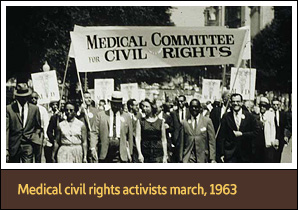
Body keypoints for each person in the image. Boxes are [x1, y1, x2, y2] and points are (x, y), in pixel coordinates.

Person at [90, 91, 133, 163]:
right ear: (111, 103)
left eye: (118, 104)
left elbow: (130, 136)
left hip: (120, 151)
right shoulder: (101, 115)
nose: (116, 106)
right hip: (105, 150)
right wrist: (93, 148)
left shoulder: (127, 116)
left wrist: (130, 153)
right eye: (114, 104)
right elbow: (94, 132)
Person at [6, 83, 42, 163]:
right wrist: (6, 148)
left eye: (25, 96)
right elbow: (6, 130)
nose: (24, 99)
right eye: (21, 97)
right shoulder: (9, 109)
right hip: (14, 145)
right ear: (17, 96)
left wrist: (33, 136)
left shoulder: (34, 109)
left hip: (28, 144)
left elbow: (38, 127)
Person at [218, 93, 259, 163]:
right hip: (230, 154)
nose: (235, 103)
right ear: (230, 103)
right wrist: (222, 153)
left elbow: (256, 133)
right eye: (233, 101)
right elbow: (222, 136)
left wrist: (242, 134)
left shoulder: (250, 116)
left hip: (245, 154)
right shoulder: (226, 116)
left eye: (238, 101)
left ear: (242, 103)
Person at [179, 99, 216, 163]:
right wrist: (180, 158)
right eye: (192, 107)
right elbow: (181, 142)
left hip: (202, 157)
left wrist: (212, 158)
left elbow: (211, 141)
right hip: (188, 157)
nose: (194, 109)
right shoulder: (184, 123)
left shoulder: (207, 121)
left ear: (200, 108)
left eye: (196, 107)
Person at [135, 99, 167, 163]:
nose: (144, 108)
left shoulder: (161, 122)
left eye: (147, 106)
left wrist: (165, 155)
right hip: (145, 153)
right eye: (143, 106)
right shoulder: (140, 122)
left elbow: (163, 139)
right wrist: (139, 153)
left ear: (152, 107)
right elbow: (138, 138)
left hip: (158, 154)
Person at [77, 91, 99, 163]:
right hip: (82, 140)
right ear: (82, 99)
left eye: (90, 97)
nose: (89, 99)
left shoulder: (95, 111)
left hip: (92, 139)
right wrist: (80, 110)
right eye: (86, 98)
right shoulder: (78, 111)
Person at [209, 91, 230, 162]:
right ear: (224, 99)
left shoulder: (233, 112)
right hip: (217, 141)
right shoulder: (215, 111)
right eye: (228, 97)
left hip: (229, 144)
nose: (230, 100)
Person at [30, 91, 51, 163]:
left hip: (39, 134)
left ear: (38, 98)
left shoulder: (42, 109)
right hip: (29, 133)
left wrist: (45, 136)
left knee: (38, 155)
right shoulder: (26, 108)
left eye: (35, 98)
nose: (33, 99)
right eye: (32, 98)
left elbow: (46, 123)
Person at [254, 97, 276, 163]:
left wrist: (272, 140)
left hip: (267, 141)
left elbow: (273, 128)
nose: (262, 108)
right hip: (258, 142)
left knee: (267, 159)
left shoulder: (270, 115)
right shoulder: (257, 116)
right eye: (261, 106)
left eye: (264, 106)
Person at [170, 95, 190, 162]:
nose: (180, 103)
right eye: (178, 101)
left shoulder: (189, 111)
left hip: (187, 138)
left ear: (185, 101)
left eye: (181, 101)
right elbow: (172, 126)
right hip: (177, 140)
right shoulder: (173, 113)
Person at [271, 98, 291, 162]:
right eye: (274, 104)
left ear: (279, 105)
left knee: (278, 155)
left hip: (280, 137)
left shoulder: (283, 114)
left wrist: (286, 135)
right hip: (272, 137)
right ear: (272, 105)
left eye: (277, 104)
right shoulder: (269, 114)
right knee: (271, 155)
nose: (275, 106)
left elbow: (287, 126)